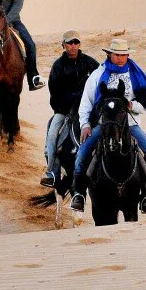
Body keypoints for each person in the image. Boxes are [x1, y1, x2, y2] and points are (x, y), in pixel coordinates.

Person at [70, 37, 146, 214]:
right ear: (109, 54)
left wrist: (132, 106)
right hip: (102, 125)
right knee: (81, 155)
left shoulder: (136, 75)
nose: (119, 58)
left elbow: (145, 102)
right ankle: (79, 195)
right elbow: (86, 104)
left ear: (127, 55)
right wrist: (85, 124)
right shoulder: (97, 74)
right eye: (116, 54)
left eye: (123, 54)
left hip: (130, 125)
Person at [40, 31, 99, 188]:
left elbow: (100, 83)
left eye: (76, 42)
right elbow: (54, 91)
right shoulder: (58, 66)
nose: (73, 46)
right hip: (64, 110)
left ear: (79, 44)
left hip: (88, 110)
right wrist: (66, 106)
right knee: (52, 134)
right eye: (70, 43)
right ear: (63, 45)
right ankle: (51, 172)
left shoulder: (90, 63)